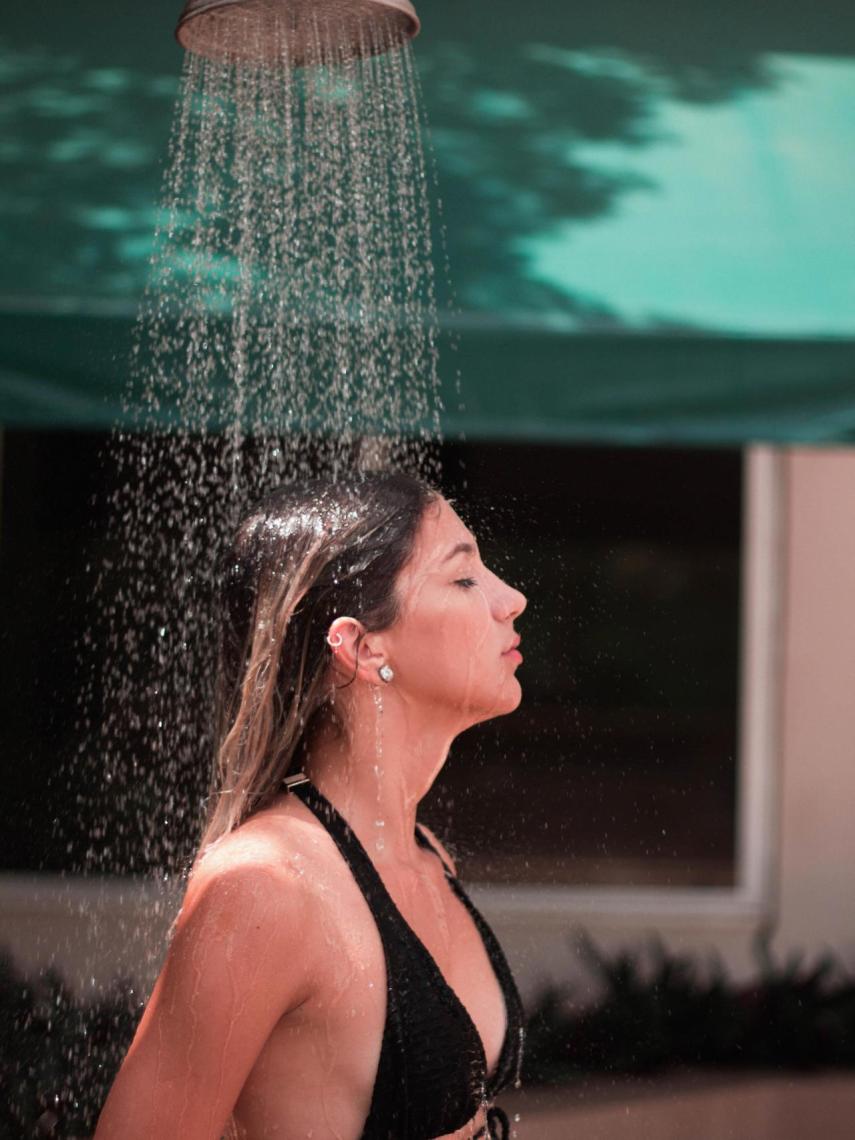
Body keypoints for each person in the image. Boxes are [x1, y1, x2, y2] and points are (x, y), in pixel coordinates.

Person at [94, 470, 528, 1140]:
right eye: (463, 578)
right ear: (359, 646)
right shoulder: (265, 888)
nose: (511, 599)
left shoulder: (422, 854)